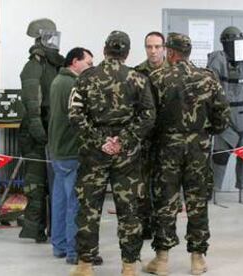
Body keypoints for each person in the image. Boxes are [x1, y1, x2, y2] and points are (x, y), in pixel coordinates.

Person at [68, 31, 156, 276]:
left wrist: (100, 141)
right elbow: (149, 116)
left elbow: (75, 115)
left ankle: (84, 266)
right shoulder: (138, 79)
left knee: (89, 210)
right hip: (127, 156)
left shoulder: (86, 78)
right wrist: (123, 140)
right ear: (127, 53)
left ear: (105, 49)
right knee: (129, 211)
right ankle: (129, 267)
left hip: (94, 155)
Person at [144, 32, 230, 275]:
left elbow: (147, 118)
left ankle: (161, 260)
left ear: (170, 52)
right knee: (197, 202)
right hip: (198, 150)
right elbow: (223, 117)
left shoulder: (157, 78)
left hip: (166, 150)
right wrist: (204, 132)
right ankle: (197, 259)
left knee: (166, 203)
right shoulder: (208, 78)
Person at [48, 47, 97, 264]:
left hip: (57, 151)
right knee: (74, 204)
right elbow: (80, 118)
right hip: (70, 152)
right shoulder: (73, 84)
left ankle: (58, 246)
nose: (91, 67)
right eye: (88, 63)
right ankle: (74, 251)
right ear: (75, 62)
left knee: (59, 200)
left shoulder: (58, 81)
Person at [18, 18, 64, 242]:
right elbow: (32, 102)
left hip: (53, 132)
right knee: (36, 185)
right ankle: (35, 229)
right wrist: (40, 133)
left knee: (57, 186)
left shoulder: (58, 65)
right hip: (37, 135)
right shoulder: (33, 66)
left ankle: (56, 230)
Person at [207, 26, 243, 192]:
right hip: (224, 117)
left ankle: (242, 185)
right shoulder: (217, 60)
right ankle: (214, 188)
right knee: (220, 156)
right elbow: (210, 88)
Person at [134, 31, 169, 240]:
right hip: (144, 138)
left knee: (165, 183)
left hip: (167, 137)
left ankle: (162, 225)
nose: (153, 51)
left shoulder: (173, 71)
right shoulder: (138, 72)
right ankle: (145, 223)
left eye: (157, 46)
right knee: (142, 183)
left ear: (164, 48)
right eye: (149, 47)